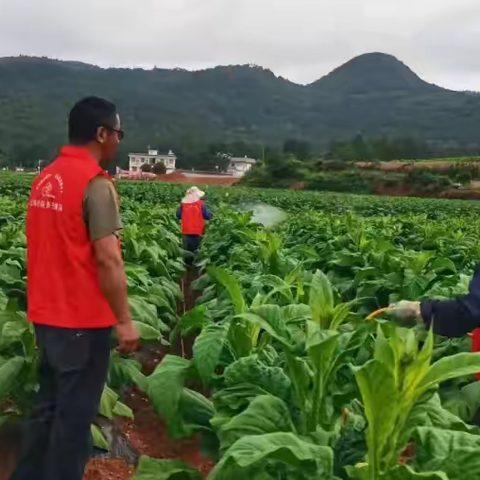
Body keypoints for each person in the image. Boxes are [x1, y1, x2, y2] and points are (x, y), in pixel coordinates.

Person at [11, 97, 139, 480]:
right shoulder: (95, 184)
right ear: (101, 134)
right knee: (73, 424)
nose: (119, 140)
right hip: (82, 321)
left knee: (46, 410)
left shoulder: (46, 177)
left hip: (46, 316)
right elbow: (108, 260)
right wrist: (125, 320)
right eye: (118, 132)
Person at [176, 186, 213, 256]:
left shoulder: (183, 204)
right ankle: (194, 263)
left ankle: (187, 264)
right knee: (196, 248)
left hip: (186, 230)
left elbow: (178, 215)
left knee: (187, 249)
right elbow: (206, 215)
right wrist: (211, 214)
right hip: (197, 229)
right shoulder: (201, 204)